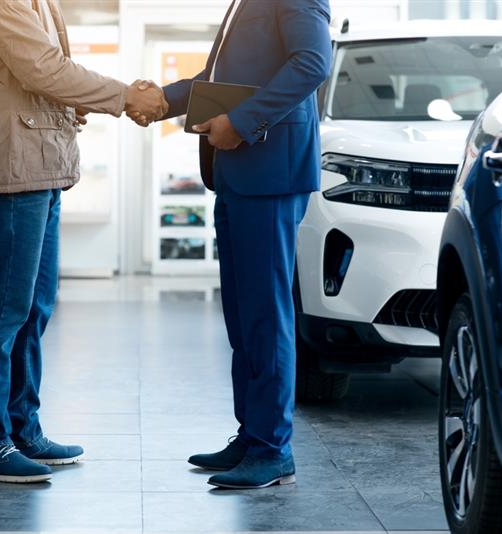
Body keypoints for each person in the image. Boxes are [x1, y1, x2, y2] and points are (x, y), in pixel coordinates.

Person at [0, 0, 167, 484]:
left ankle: (22, 429)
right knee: (3, 309)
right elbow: (41, 66)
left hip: (38, 164)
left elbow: (43, 73)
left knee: (34, 307)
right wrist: (124, 95)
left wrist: (72, 100)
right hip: (8, 166)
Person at [142, 0, 333, 489]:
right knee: (245, 318)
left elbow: (312, 62)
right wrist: (161, 99)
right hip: (238, 173)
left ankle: (273, 449)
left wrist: (243, 121)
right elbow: (217, 77)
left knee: (267, 317)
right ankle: (252, 435)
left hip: (269, 170)